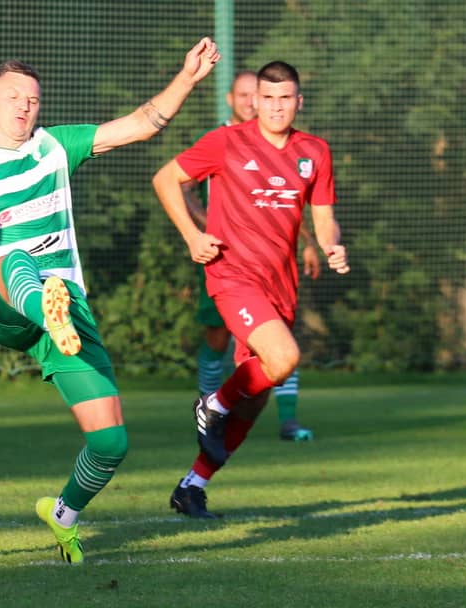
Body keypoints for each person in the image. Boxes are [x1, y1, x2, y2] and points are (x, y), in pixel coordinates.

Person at [0, 38, 220, 563]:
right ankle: (46, 308)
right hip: (3, 302)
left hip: (67, 309)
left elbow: (142, 124)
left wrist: (188, 77)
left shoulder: (56, 147)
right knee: (17, 259)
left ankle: (63, 514)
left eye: (32, 99)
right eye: (12, 97)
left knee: (110, 443)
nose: (23, 106)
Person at [152, 61, 350, 518]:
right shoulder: (226, 142)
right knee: (283, 359)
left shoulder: (315, 151)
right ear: (255, 102)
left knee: (257, 395)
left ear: (299, 102)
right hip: (233, 276)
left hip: (281, 287)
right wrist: (192, 236)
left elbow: (323, 217)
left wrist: (331, 244)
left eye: (286, 99)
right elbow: (166, 179)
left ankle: (192, 486)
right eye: (269, 98)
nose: (277, 107)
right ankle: (212, 403)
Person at [183, 70, 322, 443]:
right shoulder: (220, 140)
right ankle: (209, 410)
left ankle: (285, 420)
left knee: (279, 343)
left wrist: (311, 240)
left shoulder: (286, 144)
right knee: (217, 335)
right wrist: (202, 228)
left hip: (272, 265)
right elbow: (179, 185)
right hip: (225, 261)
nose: (250, 102)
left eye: (253, 94)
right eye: (243, 95)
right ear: (232, 99)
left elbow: (285, 202)